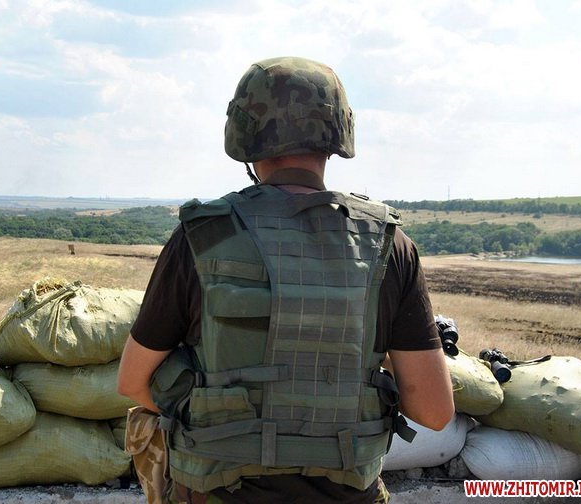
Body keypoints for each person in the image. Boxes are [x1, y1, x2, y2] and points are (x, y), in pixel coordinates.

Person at [118, 56, 454, 504]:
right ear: (336, 134)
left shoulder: (203, 236)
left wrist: (216, 415)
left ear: (244, 133)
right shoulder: (388, 246)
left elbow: (133, 382)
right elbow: (434, 412)